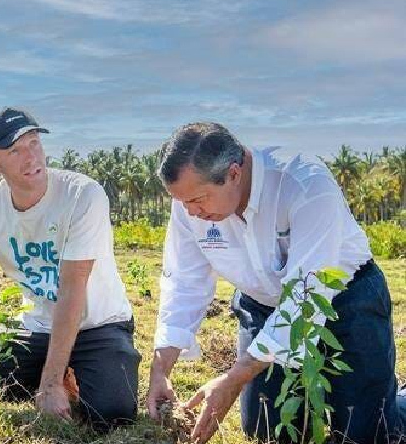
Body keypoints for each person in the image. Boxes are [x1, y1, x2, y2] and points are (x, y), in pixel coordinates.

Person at [146, 122, 404, 443]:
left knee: (365, 429)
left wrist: (231, 382)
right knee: (266, 426)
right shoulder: (190, 201)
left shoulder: (305, 183)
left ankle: (396, 400)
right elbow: (183, 283)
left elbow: (306, 296)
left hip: (345, 301)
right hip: (263, 305)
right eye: (182, 202)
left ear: (234, 173)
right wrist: (160, 372)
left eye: (198, 200)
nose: (190, 212)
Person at [0, 107, 141, 431]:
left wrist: (51, 382)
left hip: (97, 323)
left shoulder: (82, 195)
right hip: (36, 326)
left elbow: (72, 287)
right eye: (15, 150)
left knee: (111, 414)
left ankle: (67, 371)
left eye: (34, 143)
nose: (31, 157)